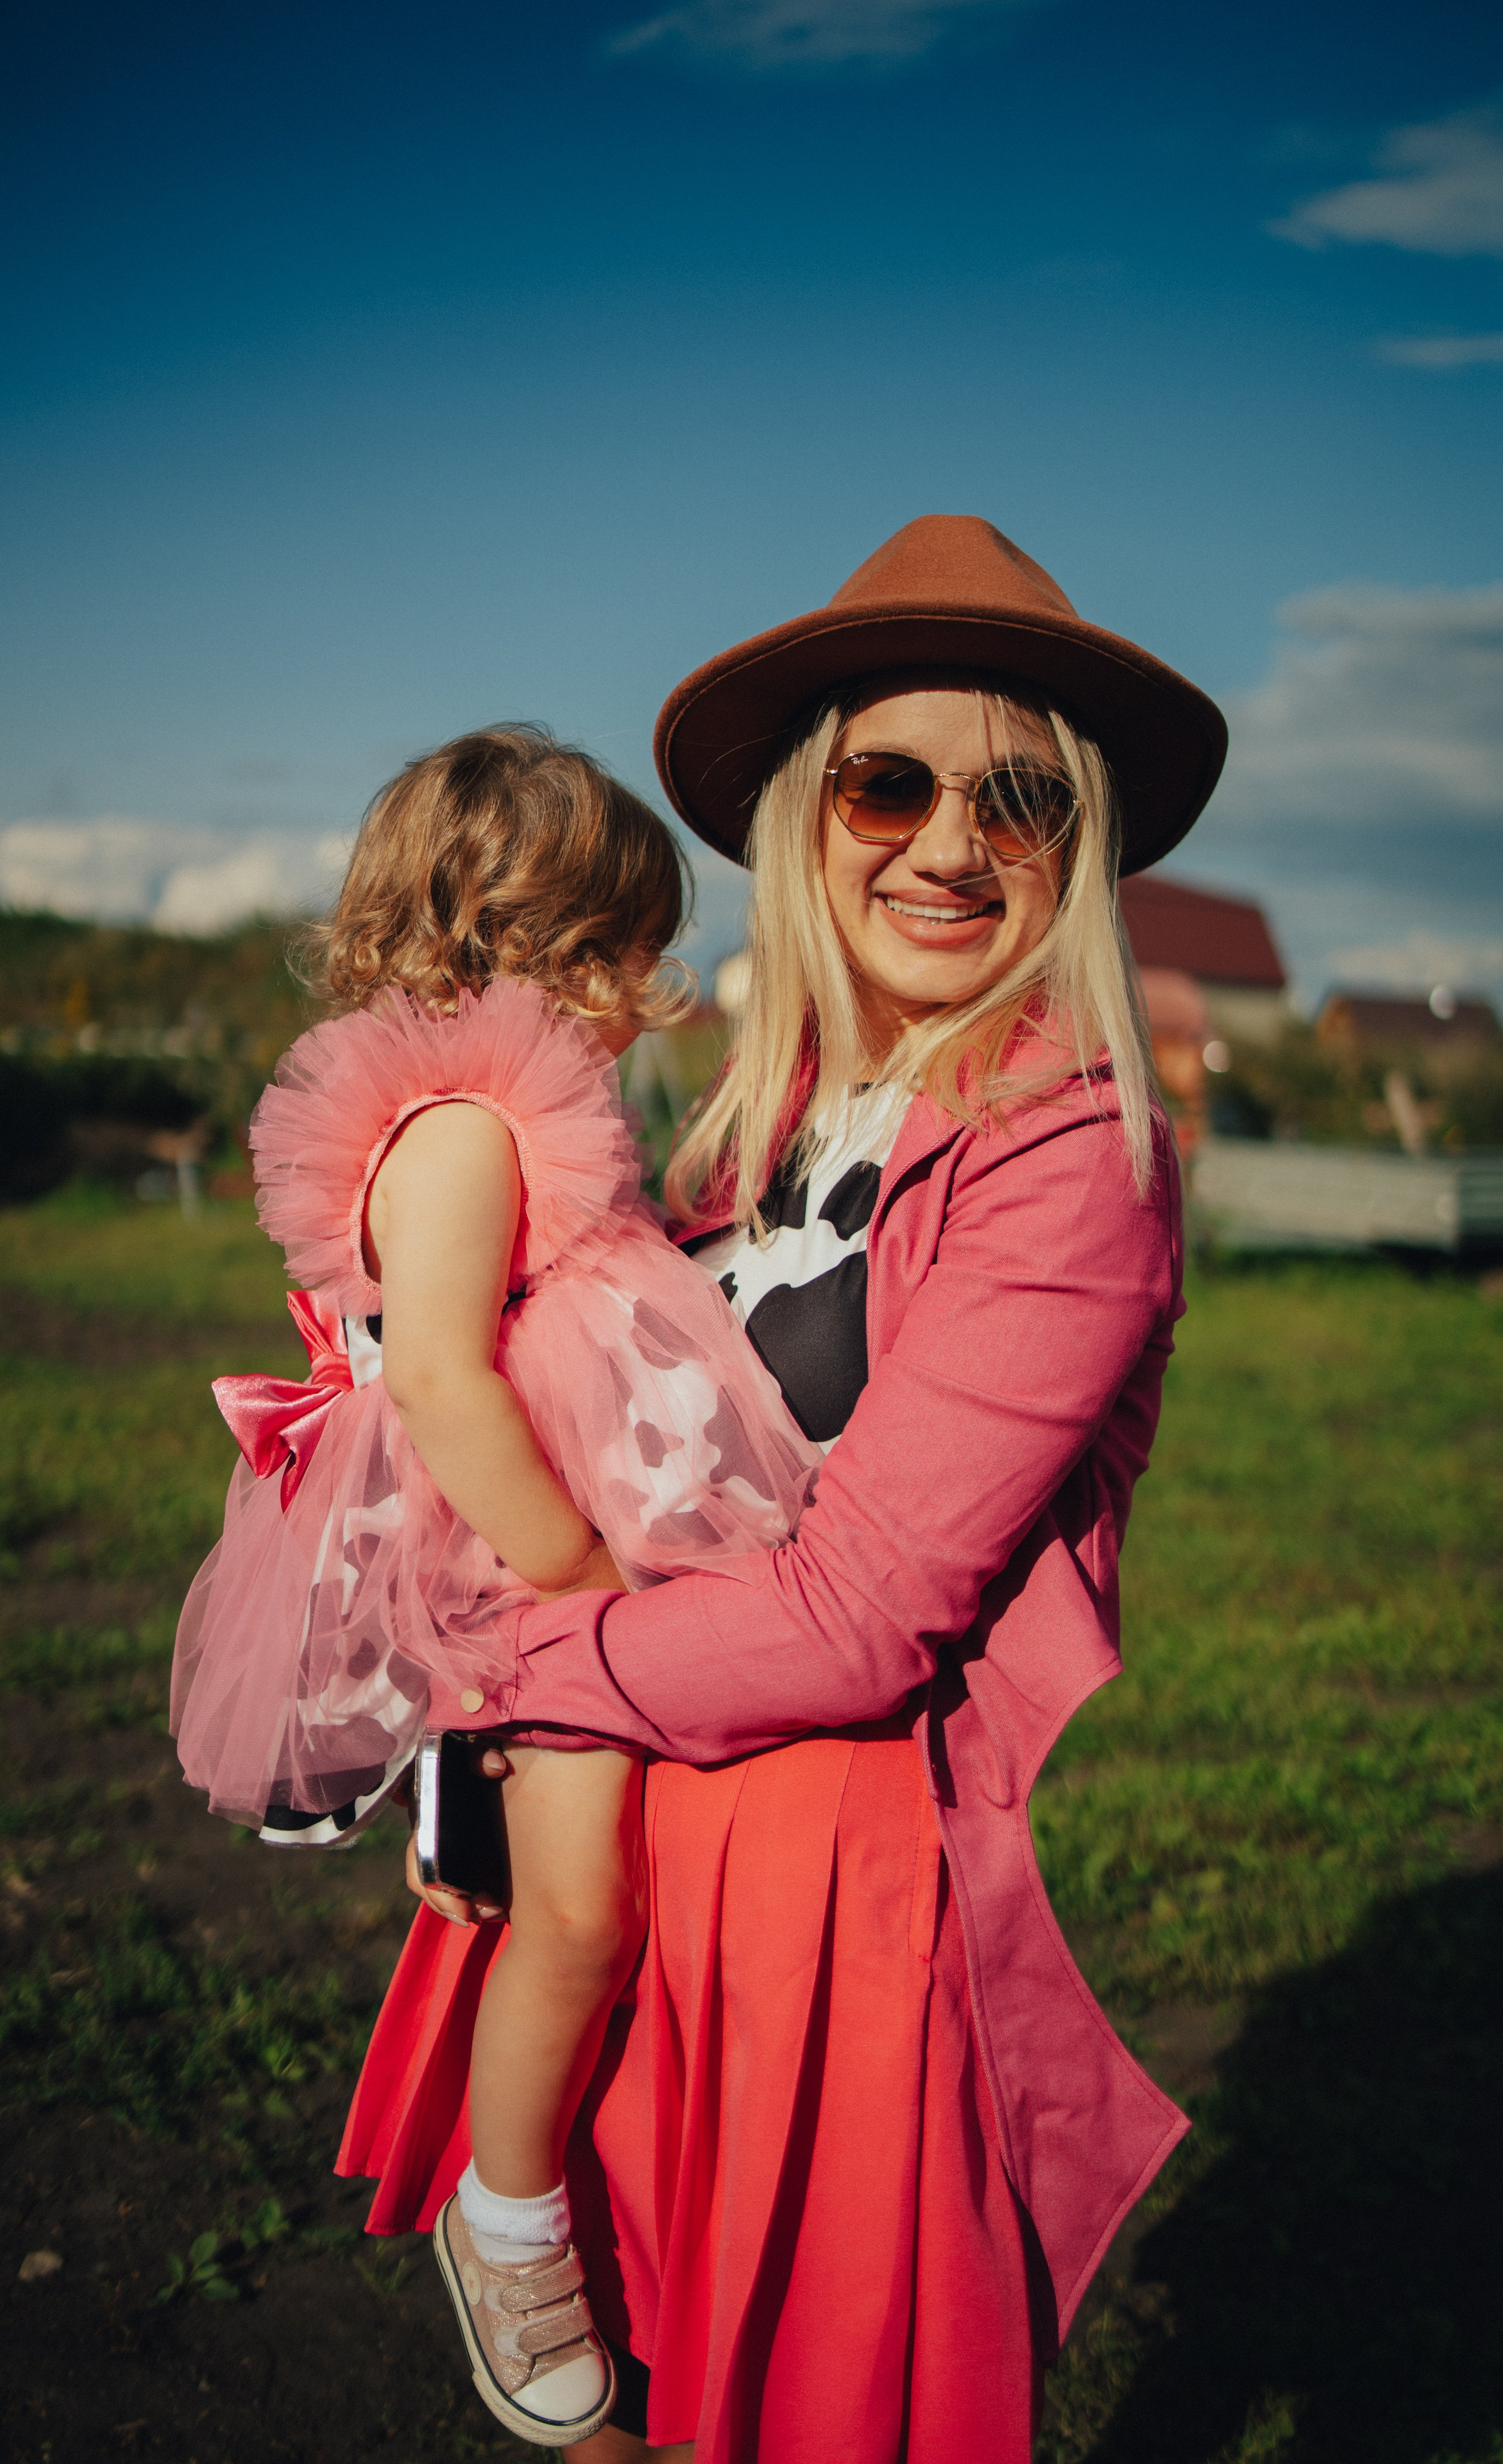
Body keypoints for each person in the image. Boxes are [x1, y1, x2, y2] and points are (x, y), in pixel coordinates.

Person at [337, 517, 1229, 2464]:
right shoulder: (766, 1125)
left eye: (1017, 800)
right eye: (888, 783)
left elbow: (859, 1618)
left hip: (833, 1880)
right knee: (615, 2376)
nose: (947, 844)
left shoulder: (1072, 1159)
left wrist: (496, 1687)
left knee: (813, 2391)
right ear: (807, 816)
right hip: (624, 1826)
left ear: (1075, 848)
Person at [170, 726, 823, 2447]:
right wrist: (582, 1578)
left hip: (552, 1562)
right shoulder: (461, 1129)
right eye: (622, 955)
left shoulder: (513, 1113)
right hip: (531, 1577)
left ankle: (565, 2133)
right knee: (582, 1916)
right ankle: (508, 2220)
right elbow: (445, 1379)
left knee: (593, 1891)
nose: (641, 998)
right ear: (528, 945)